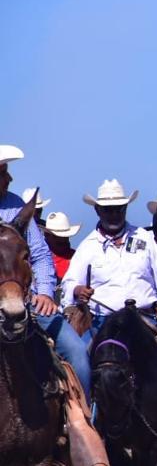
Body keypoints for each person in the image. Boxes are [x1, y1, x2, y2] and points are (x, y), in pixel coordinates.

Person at [0, 146, 91, 393]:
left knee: (77, 352)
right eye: (3, 172)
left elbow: (39, 255)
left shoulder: (16, 205)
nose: (10, 179)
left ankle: (83, 421)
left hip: (27, 302)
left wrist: (46, 293)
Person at [63, 179, 157, 335]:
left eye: (119, 209)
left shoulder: (144, 237)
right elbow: (69, 282)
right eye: (108, 210)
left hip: (146, 319)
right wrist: (77, 289)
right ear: (98, 210)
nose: (114, 215)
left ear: (126, 208)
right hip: (102, 323)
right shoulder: (87, 246)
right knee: (80, 356)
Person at [40, 211, 81, 284]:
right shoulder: (38, 259)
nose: (63, 240)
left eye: (65, 237)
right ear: (47, 235)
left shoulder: (77, 257)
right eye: (59, 237)